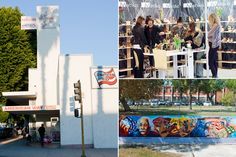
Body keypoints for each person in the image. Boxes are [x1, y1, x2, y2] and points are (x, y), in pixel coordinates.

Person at [208, 13, 221, 78]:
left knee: (210, 61)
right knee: (213, 60)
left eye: (209, 19)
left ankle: (214, 75)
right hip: (215, 45)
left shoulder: (215, 25)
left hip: (213, 45)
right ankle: (215, 75)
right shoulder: (217, 25)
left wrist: (207, 36)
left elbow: (209, 34)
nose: (209, 21)